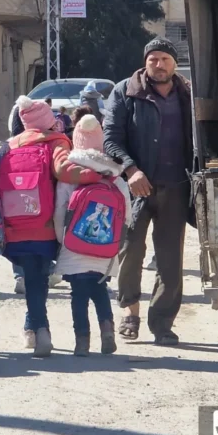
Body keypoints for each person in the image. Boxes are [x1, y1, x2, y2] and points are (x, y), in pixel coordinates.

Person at [104, 38, 194, 346]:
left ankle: (162, 323)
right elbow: (111, 139)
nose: (159, 64)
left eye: (165, 59)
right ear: (146, 62)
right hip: (136, 189)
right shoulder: (125, 92)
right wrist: (131, 170)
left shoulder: (186, 93)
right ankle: (130, 313)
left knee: (170, 260)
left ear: (174, 62)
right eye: (153, 59)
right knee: (130, 252)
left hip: (176, 188)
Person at [1, 97, 95, 357]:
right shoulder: (56, 142)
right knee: (37, 279)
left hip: (14, 225)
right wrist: (95, 174)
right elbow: (65, 171)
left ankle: (32, 328)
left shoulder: (10, 145)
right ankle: (41, 330)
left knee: (33, 277)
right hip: (44, 226)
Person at [53, 115, 130, 356]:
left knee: (78, 295)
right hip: (105, 249)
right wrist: (116, 243)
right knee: (99, 290)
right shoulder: (115, 177)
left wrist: (62, 240)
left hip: (74, 247)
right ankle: (107, 333)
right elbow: (126, 215)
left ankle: (82, 342)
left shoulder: (71, 176)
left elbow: (59, 212)